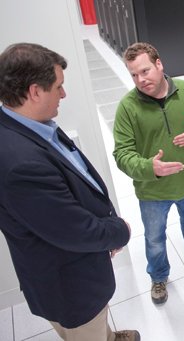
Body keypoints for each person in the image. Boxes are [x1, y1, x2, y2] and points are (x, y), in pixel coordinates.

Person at [0, 43, 140, 341]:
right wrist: (118, 230)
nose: (63, 95)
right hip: (69, 285)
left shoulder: (26, 125)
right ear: (35, 91)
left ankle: (110, 336)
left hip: (75, 262)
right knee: (86, 330)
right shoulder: (20, 164)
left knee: (99, 323)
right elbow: (76, 232)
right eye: (59, 87)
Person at [113, 42, 184, 305]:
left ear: (159, 64)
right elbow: (122, 155)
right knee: (154, 238)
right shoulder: (127, 107)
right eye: (134, 75)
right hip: (152, 190)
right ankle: (159, 276)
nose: (141, 79)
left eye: (145, 70)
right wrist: (151, 168)